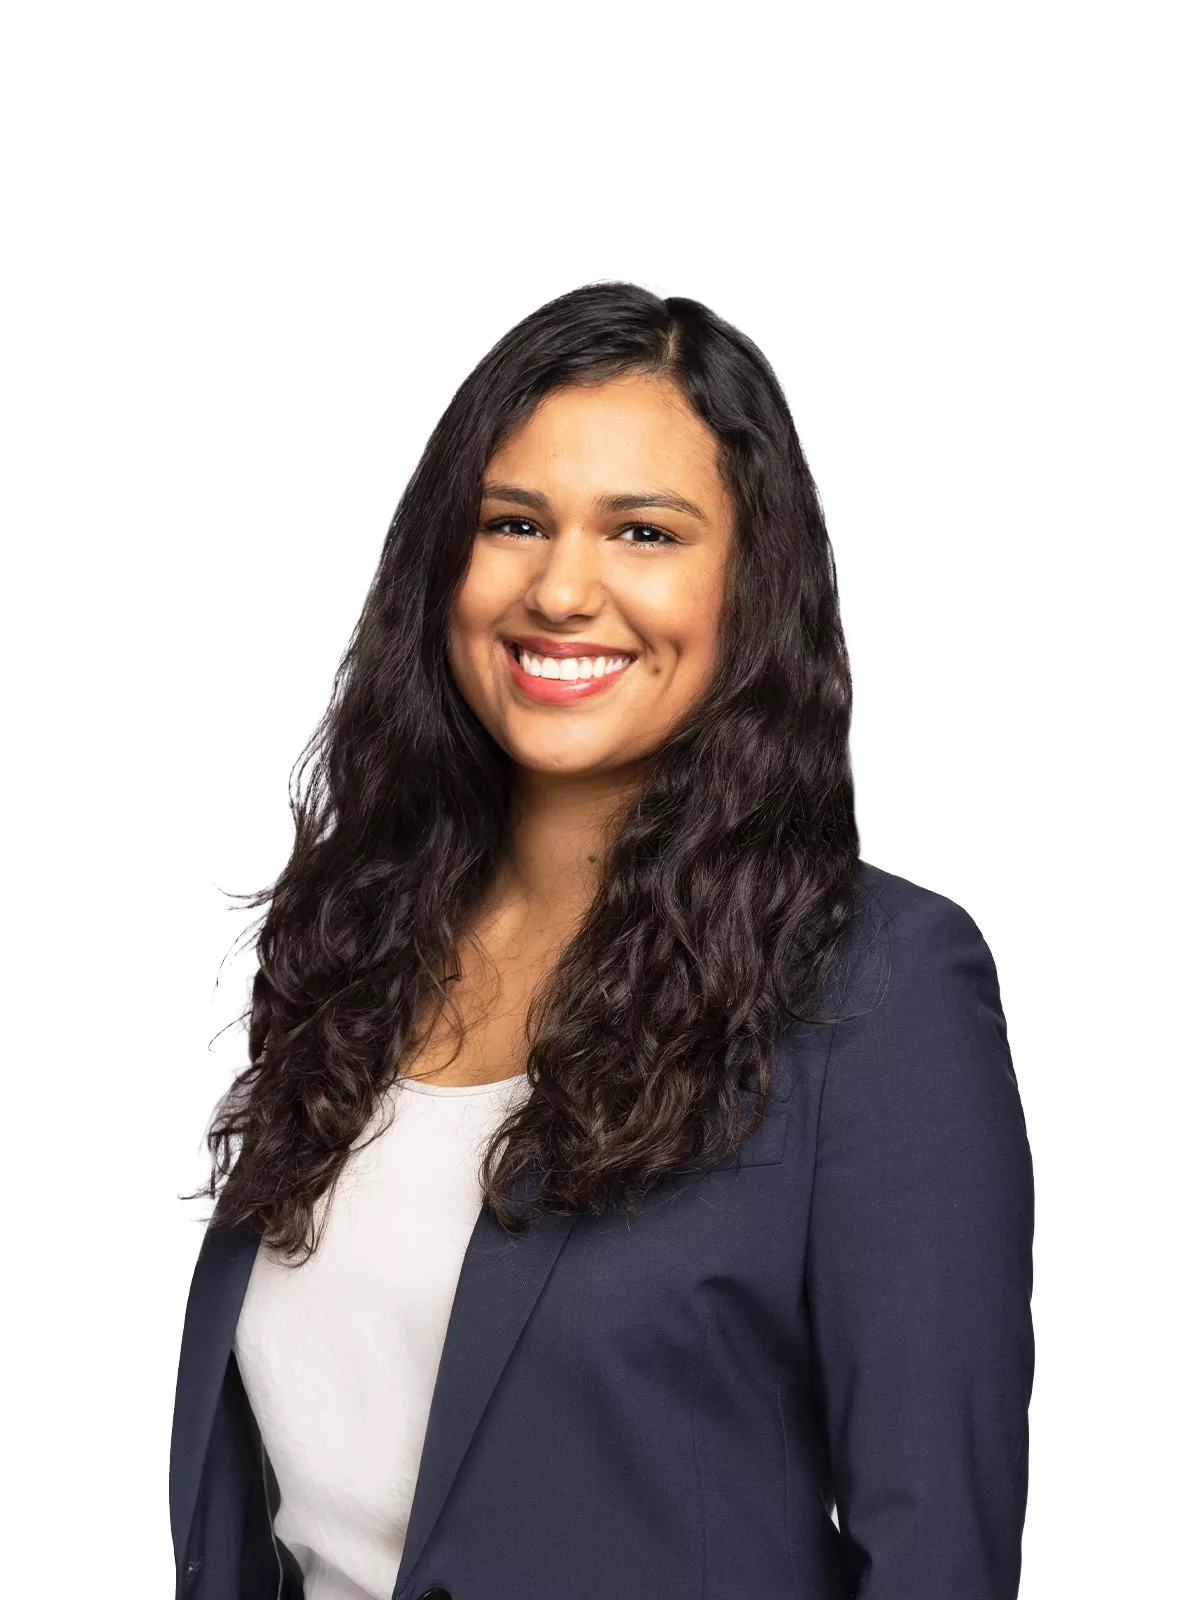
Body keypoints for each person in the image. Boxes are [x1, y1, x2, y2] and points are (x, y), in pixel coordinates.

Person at [170, 278, 1035, 1600]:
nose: (562, 588)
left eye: (643, 532)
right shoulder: (348, 950)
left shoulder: (874, 987)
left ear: (753, 581)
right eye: (514, 523)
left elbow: (937, 1559)